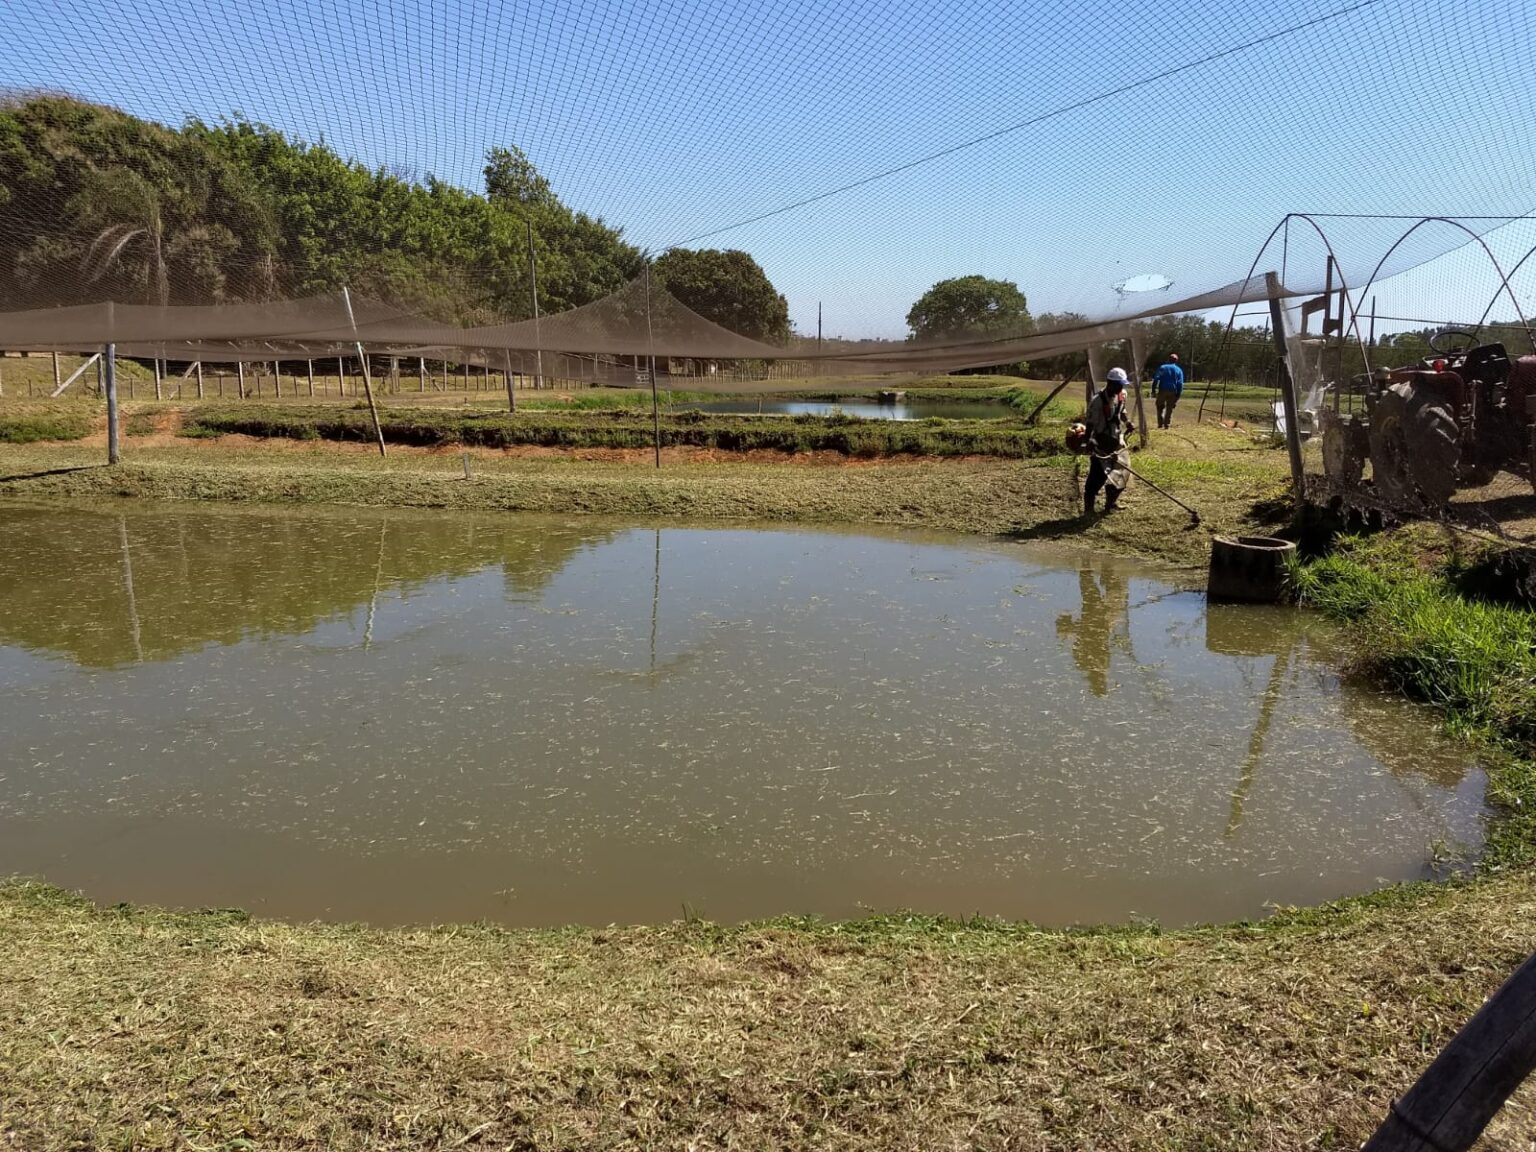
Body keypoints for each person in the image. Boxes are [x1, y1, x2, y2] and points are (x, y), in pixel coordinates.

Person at [1083, 368, 1134, 515]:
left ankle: (1110, 504)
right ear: (1110, 383)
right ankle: (1089, 510)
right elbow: (1090, 424)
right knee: (1097, 478)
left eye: (1122, 385)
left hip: (1117, 441)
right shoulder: (1097, 401)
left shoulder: (1122, 394)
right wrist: (1088, 441)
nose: (1121, 388)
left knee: (1122, 474)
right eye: (1118, 385)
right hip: (1101, 443)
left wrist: (1127, 422)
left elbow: (1122, 411)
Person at [1152, 352, 1185, 428]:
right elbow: (1180, 383)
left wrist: (1153, 390)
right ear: (1176, 361)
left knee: (1160, 406)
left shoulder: (1162, 367)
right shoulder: (1179, 370)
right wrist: (1178, 394)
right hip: (1173, 390)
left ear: (1168, 359)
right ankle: (1167, 424)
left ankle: (1160, 423)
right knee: (1170, 408)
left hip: (1162, 390)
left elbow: (1156, 379)